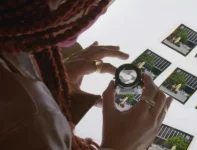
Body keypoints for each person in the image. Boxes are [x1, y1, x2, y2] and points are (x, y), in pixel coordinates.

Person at [0, 1, 173, 150]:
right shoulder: (26, 117)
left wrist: (50, 93)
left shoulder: (11, 37)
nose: (101, 10)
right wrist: (122, 146)